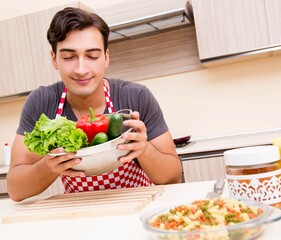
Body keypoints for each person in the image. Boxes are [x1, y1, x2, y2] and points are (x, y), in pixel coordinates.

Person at [7, 7, 182, 202]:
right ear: (54, 59)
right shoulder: (41, 102)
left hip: (138, 208)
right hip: (80, 216)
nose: (81, 69)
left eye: (92, 56)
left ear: (106, 57)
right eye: (68, 57)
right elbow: (15, 189)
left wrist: (144, 149)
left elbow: (173, 176)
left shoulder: (136, 97)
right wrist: (50, 166)